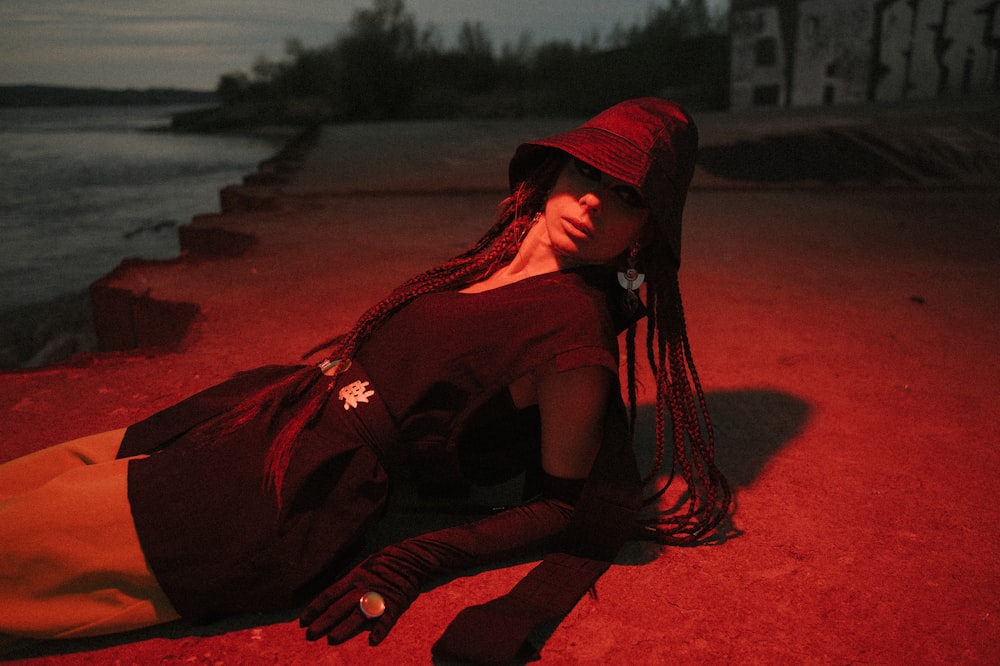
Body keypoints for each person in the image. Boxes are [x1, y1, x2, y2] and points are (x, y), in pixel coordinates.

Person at [0, 98, 730, 663]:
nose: (595, 201)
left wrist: (414, 558)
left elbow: (561, 506)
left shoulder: (573, 331)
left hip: (290, 491)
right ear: (551, 173)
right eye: (586, 173)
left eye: (628, 196)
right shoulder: (497, 252)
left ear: (645, 234)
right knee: (29, 485)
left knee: (26, 550)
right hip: (265, 412)